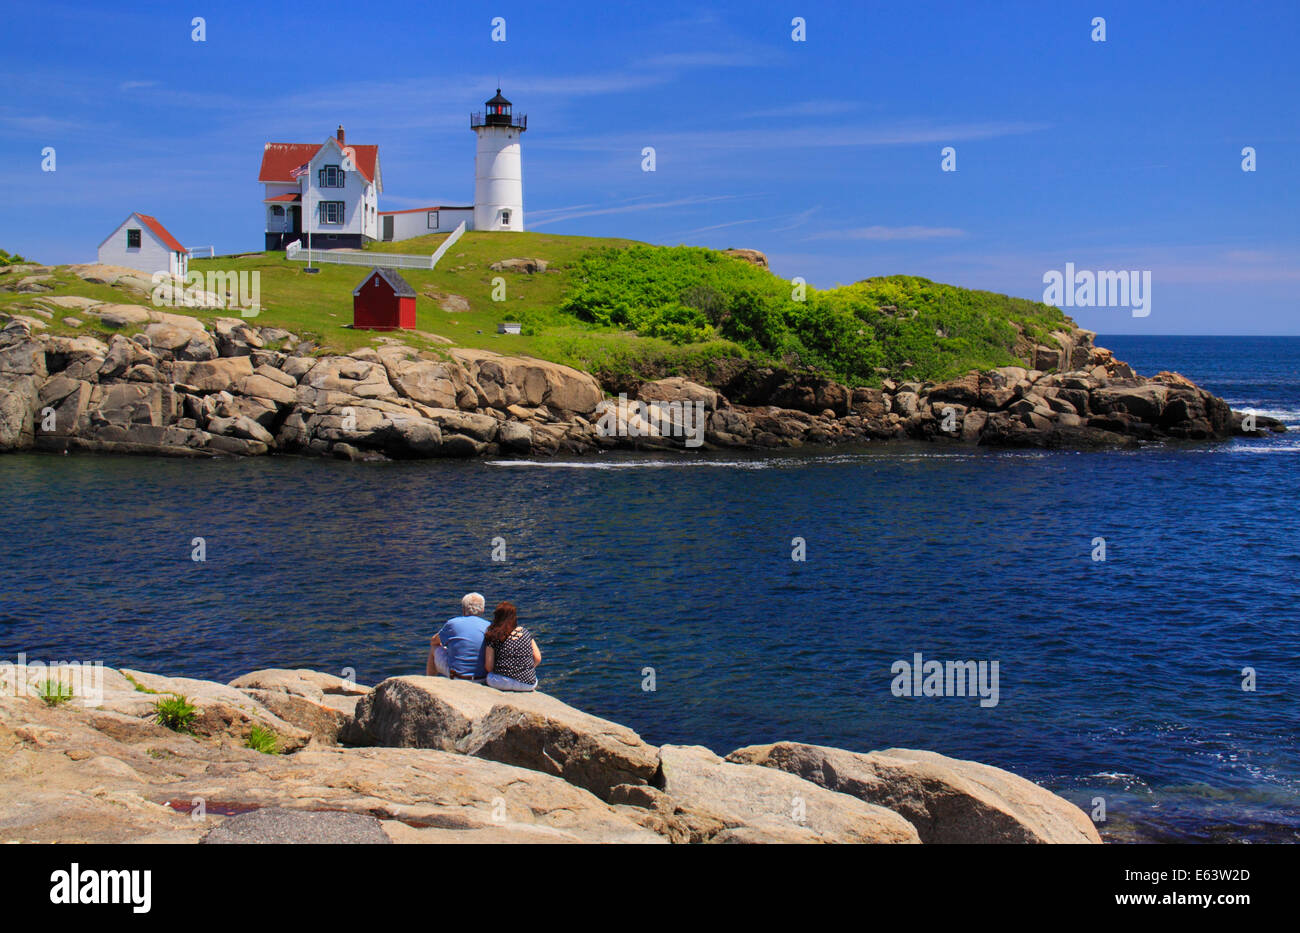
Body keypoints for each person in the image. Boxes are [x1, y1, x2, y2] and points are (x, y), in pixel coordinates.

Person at [426, 592, 489, 681]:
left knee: (434, 648)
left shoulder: (453, 623)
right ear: (482, 610)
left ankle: (430, 681)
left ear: (463, 610)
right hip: (482, 678)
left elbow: (434, 641)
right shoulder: (489, 626)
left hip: (458, 677)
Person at [483, 601, 541, 692]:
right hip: (527, 684)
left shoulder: (493, 635)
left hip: (502, 682)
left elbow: (489, 667)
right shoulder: (525, 632)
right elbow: (537, 658)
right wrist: (524, 671)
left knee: (488, 677)